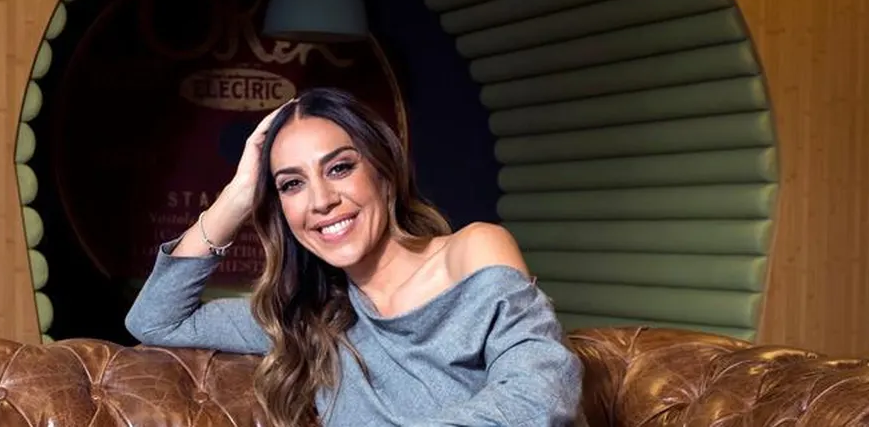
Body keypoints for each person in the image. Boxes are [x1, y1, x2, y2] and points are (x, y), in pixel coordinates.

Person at [125, 87, 584, 427]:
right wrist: (239, 195)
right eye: (292, 184)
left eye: (340, 168)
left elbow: (540, 395)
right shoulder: (307, 317)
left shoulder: (471, 253)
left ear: (384, 173)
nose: (321, 200)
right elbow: (155, 320)